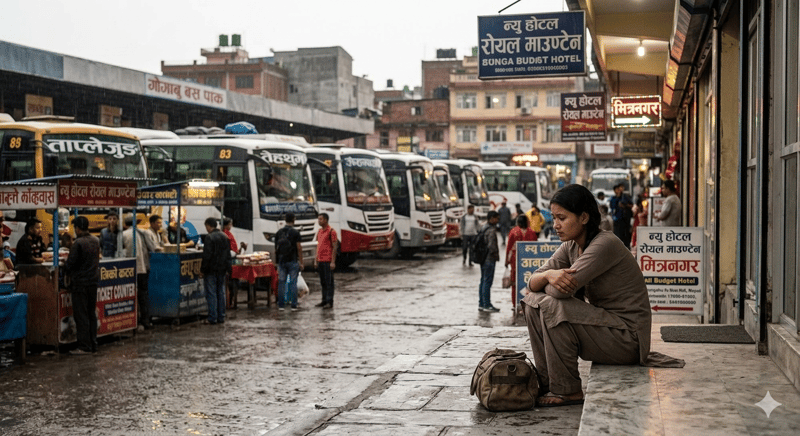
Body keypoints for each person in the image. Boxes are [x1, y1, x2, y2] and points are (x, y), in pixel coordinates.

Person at [521, 184, 684, 407]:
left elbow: (558, 291)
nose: (555, 225)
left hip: (628, 338)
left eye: (562, 218)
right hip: (605, 327)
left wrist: (548, 283)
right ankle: (549, 382)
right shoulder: (570, 245)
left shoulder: (605, 244)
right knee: (532, 303)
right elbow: (531, 282)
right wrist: (550, 274)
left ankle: (568, 391)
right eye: (554, 218)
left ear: (584, 217)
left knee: (550, 304)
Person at [65, 216, 100, 355]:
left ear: (78, 228)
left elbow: (70, 264)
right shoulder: (96, 240)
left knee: (81, 315)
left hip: (80, 283)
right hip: (93, 282)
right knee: (91, 313)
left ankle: (84, 346)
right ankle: (93, 343)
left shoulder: (78, 243)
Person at [122, 215, 157, 329]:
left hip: (129, 269)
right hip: (144, 268)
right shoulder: (144, 233)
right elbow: (153, 248)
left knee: (131, 295)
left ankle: (133, 321)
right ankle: (145, 320)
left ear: (125, 224)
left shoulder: (123, 235)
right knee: (143, 294)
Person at [200, 217, 231, 325]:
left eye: (206, 227)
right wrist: (228, 269)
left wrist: (202, 270)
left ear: (209, 225)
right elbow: (228, 255)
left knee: (212, 293)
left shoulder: (209, 237)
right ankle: (221, 316)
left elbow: (207, 256)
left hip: (211, 270)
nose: (206, 229)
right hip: (222, 269)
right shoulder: (225, 236)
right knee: (220, 292)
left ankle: (212, 317)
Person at [505, 214, 537, 313]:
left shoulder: (514, 232)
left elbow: (509, 247)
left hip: (515, 260)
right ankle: (528, 303)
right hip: (529, 261)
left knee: (515, 282)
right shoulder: (532, 232)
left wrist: (506, 260)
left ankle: (516, 304)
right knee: (529, 281)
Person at [275, 212, 303, 310]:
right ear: (294, 219)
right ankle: (293, 305)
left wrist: (277, 261)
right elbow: (299, 248)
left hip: (282, 261)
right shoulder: (296, 233)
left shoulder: (279, 232)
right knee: (293, 283)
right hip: (292, 260)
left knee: (281, 283)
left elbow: (276, 249)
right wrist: (301, 262)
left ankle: (281, 305)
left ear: (285, 220)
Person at [314, 213, 339, 309]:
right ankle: (324, 300)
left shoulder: (332, 231)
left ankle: (329, 301)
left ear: (325, 220)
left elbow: (334, 247)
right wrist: (316, 260)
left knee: (329, 282)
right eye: (318, 219)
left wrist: (333, 261)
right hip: (320, 260)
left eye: (320, 219)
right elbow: (318, 246)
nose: (319, 221)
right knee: (323, 282)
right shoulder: (319, 231)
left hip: (328, 260)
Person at [478, 210, 501, 312]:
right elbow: (491, 246)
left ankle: (481, 303)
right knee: (487, 281)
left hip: (482, 257)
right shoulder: (491, 230)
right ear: (492, 218)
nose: (497, 220)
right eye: (496, 218)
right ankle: (487, 304)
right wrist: (496, 255)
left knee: (483, 280)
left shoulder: (483, 227)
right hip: (489, 259)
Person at [222, 218, 245, 309]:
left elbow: (234, 249)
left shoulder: (229, 234)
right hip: (229, 260)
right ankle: (229, 301)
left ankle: (231, 300)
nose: (231, 226)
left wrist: (239, 250)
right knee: (231, 281)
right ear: (226, 225)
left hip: (233, 257)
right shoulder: (224, 234)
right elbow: (229, 250)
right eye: (230, 224)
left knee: (234, 280)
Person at [609, 183, 633, 249]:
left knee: (625, 234)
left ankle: (626, 246)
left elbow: (631, 205)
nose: (619, 190)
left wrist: (625, 206)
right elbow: (612, 207)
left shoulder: (625, 197)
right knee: (617, 234)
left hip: (625, 219)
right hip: (617, 219)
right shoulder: (613, 198)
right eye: (617, 189)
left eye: (620, 189)